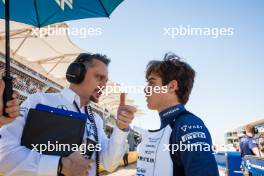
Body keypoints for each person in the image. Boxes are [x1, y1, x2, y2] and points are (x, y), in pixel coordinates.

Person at [0, 53, 137, 176]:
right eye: (99, 77)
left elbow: (109, 164)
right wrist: (60, 166)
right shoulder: (38, 101)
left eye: (105, 81)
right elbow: (4, 156)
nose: (104, 86)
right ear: (76, 73)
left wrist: (120, 128)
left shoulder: (96, 120)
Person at [136, 53, 219, 176]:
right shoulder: (170, 126)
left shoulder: (188, 124)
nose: (145, 89)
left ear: (171, 86)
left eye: (151, 83)